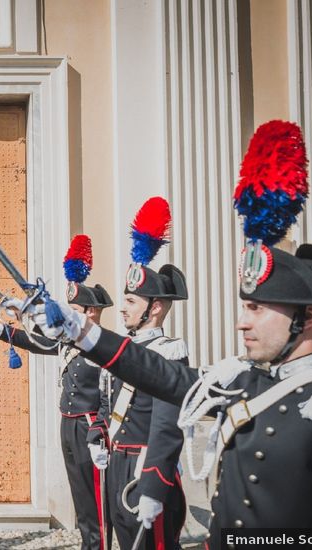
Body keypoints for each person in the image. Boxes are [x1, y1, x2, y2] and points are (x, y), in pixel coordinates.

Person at [27, 121, 312, 548]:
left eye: (256, 309)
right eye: (244, 307)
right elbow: (158, 374)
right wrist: (78, 329)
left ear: (308, 316)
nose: (242, 322)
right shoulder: (245, 382)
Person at [0, 234, 112, 550]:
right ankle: (90, 544)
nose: (68, 314)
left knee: (97, 493)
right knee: (81, 492)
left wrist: (101, 429)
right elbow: (35, 343)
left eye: (75, 308)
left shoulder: (104, 344)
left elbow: (108, 392)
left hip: (90, 426)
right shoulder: (68, 342)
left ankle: (100, 545)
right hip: (69, 421)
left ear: (89, 312)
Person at [85, 198, 188, 550]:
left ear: (155, 308)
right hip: (116, 460)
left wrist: (155, 482)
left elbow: (166, 425)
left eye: (131, 302)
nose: (123, 308)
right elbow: (105, 402)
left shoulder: (170, 352)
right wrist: (98, 434)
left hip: (145, 466)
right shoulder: (123, 351)